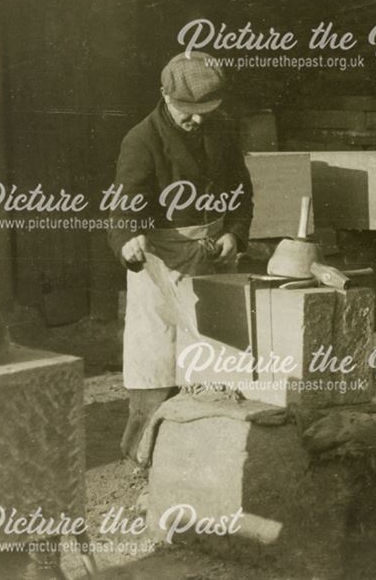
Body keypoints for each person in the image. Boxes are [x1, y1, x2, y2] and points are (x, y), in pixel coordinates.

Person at [107, 51, 253, 464]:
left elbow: (242, 193)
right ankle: (145, 458)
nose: (198, 121)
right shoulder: (142, 140)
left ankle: (208, 456)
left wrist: (234, 233)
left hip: (214, 256)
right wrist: (127, 241)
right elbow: (122, 208)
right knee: (157, 362)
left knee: (216, 358)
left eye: (207, 112)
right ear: (165, 97)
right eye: (188, 113)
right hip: (159, 261)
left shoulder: (223, 130)